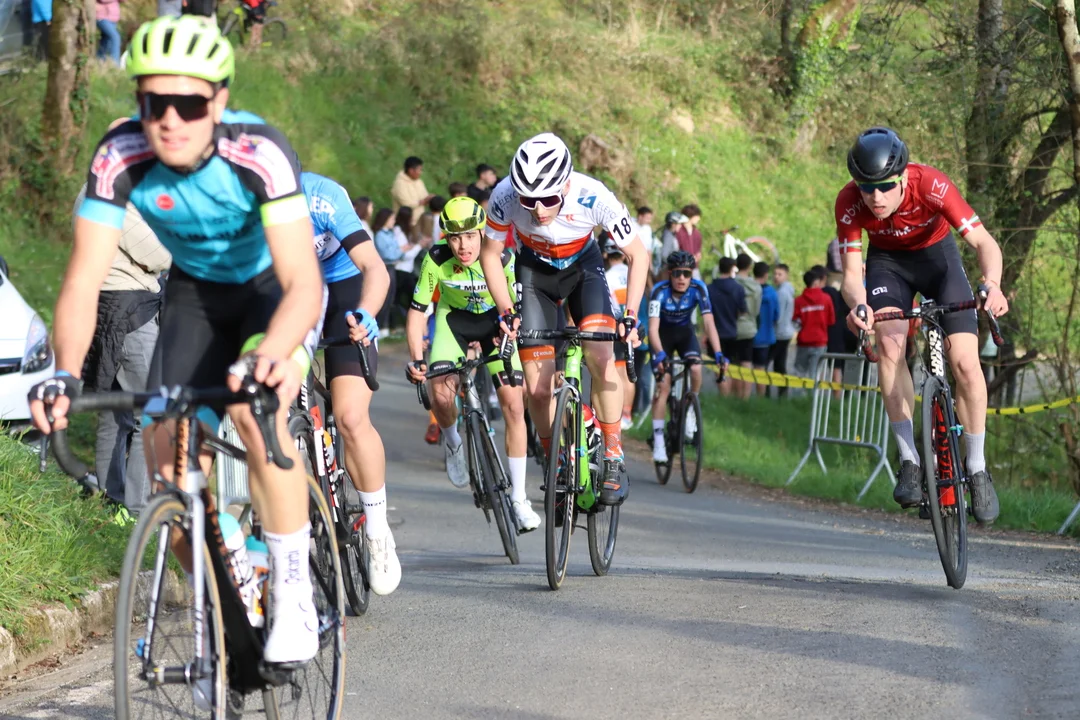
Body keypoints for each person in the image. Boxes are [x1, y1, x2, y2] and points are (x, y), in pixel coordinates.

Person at [28, 16, 323, 668]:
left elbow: (304, 282)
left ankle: (294, 589)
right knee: (168, 461)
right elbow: (82, 280)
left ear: (219, 101)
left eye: (188, 103)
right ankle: (226, 575)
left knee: (259, 414)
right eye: (153, 102)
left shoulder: (258, 152)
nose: (169, 119)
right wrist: (64, 374)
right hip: (194, 295)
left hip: (271, 293)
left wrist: (270, 355)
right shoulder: (119, 156)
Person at [838, 126, 1008, 523]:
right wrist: (859, 306)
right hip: (888, 266)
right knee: (890, 346)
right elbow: (850, 275)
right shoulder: (848, 202)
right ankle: (910, 461)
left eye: (886, 187)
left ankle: (977, 467)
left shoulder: (931, 184)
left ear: (902, 177)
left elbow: (984, 242)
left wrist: (993, 285)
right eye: (867, 188)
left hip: (938, 260)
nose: (876, 198)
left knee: (965, 362)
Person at [479, 132, 650, 506]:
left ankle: (613, 455)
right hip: (534, 276)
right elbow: (489, 254)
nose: (538, 210)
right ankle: (556, 461)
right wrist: (506, 309)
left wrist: (632, 315)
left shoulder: (595, 196)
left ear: (566, 185)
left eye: (548, 199)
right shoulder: (504, 195)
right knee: (538, 390)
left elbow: (638, 255)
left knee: (601, 359)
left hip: (583, 272)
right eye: (529, 200)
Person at [405, 197, 542, 531]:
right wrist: (417, 358)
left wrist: (513, 333)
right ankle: (454, 443)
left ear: (482, 233)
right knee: (440, 395)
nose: (463, 246)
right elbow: (417, 311)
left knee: (514, 405)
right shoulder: (436, 259)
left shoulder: (501, 257)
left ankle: (519, 498)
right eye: (454, 238)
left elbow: (517, 306)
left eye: (469, 236)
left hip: (496, 324)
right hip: (454, 323)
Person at [301, 171, 400, 595]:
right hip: (293, 290)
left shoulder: (322, 197)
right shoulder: (245, 203)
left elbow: (375, 268)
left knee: (350, 416)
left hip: (345, 285)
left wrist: (366, 314)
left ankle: (377, 530)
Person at [74, 167, 171, 522]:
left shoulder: (90, 190)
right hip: (131, 312)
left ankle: (110, 503)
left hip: (105, 308)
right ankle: (138, 511)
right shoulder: (116, 196)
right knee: (153, 410)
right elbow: (160, 255)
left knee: (115, 411)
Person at [647, 251, 724, 464]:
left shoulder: (699, 289)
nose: (682, 278)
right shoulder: (659, 291)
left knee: (696, 368)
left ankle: (689, 409)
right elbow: (652, 329)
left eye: (687, 274)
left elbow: (708, 322)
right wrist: (660, 354)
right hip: (661, 336)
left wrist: (718, 352)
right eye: (677, 273)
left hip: (685, 334)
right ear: (670, 274)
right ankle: (659, 441)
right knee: (663, 387)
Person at [602, 235, 635, 429]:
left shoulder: (607, 276)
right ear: (622, 255)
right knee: (629, 371)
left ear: (606, 255)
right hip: (632, 324)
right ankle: (627, 415)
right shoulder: (631, 273)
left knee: (618, 371)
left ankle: (617, 414)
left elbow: (609, 305)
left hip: (616, 325)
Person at [707, 256, 746, 398]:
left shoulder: (710, 288)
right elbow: (743, 311)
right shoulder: (738, 288)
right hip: (733, 332)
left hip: (715, 334)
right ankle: (735, 398)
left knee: (719, 368)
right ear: (732, 269)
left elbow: (706, 313)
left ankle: (725, 397)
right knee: (734, 367)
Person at [793, 266, 834, 380]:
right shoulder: (826, 299)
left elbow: (795, 322)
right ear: (816, 282)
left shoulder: (798, 301)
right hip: (820, 341)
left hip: (803, 342)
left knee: (800, 373)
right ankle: (813, 392)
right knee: (815, 373)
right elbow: (831, 321)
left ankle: (799, 392)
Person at [822, 271, 858, 398]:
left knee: (836, 366)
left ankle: (838, 396)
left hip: (837, 334)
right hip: (852, 334)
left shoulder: (830, 295)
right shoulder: (853, 297)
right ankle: (849, 394)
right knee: (851, 364)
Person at [733, 253, 760, 399]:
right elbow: (756, 310)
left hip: (733, 326)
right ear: (750, 266)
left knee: (735, 364)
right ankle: (746, 396)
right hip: (749, 327)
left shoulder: (733, 284)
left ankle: (736, 396)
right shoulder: (756, 286)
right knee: (747, 362)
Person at [752, 261, 778, 396]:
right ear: (766, 274)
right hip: (765, 337)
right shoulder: (772, 293)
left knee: (741, 368)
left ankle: (740, 398)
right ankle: (760, 398)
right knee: (761, 369)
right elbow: (776, 315)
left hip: (747, 336)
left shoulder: (748, 289)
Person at [372, 207, 399, 334]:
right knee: (385, 297)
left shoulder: (390, 233)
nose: (394, 221)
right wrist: (400, 252)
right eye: (392, 219)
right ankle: (381, 326)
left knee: (391, 298)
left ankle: (385, 326)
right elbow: (388, 254)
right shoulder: (380, 235)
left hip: (392, 267)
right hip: (386, 266)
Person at [772, 263, 796, 395]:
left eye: (779, 274)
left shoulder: (781, 293)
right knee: (780, 362)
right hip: (786, 331)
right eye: (775, 274)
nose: (776, 277)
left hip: (780, 332)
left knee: (778, 363)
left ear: (786, 275)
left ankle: (782, 391)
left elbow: (778, 316)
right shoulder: (788, 290)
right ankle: (782, 391)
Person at [391, 156, 434, 227]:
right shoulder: (399, 184)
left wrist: (430, 199)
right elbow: (406, 204)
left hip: (420, 222)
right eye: (419, 170)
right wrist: (422, 202)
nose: (421, 172)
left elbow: (425, 197)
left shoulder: (419, 181)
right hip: (405, 225)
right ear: (411, 170)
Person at [675, 203, 704, 273]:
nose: (699, 219)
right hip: (680, 268)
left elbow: (698, 251)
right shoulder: (678, 231)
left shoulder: (697, 233)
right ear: (691, 216)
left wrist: (697, 256)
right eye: (697, 216)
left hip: (694, 268)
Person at [96, 0, 123, 65]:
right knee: (115, 37)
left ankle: (99, 61)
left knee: (105, 42)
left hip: (113, 19)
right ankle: (115, 64)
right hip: (102, 18)